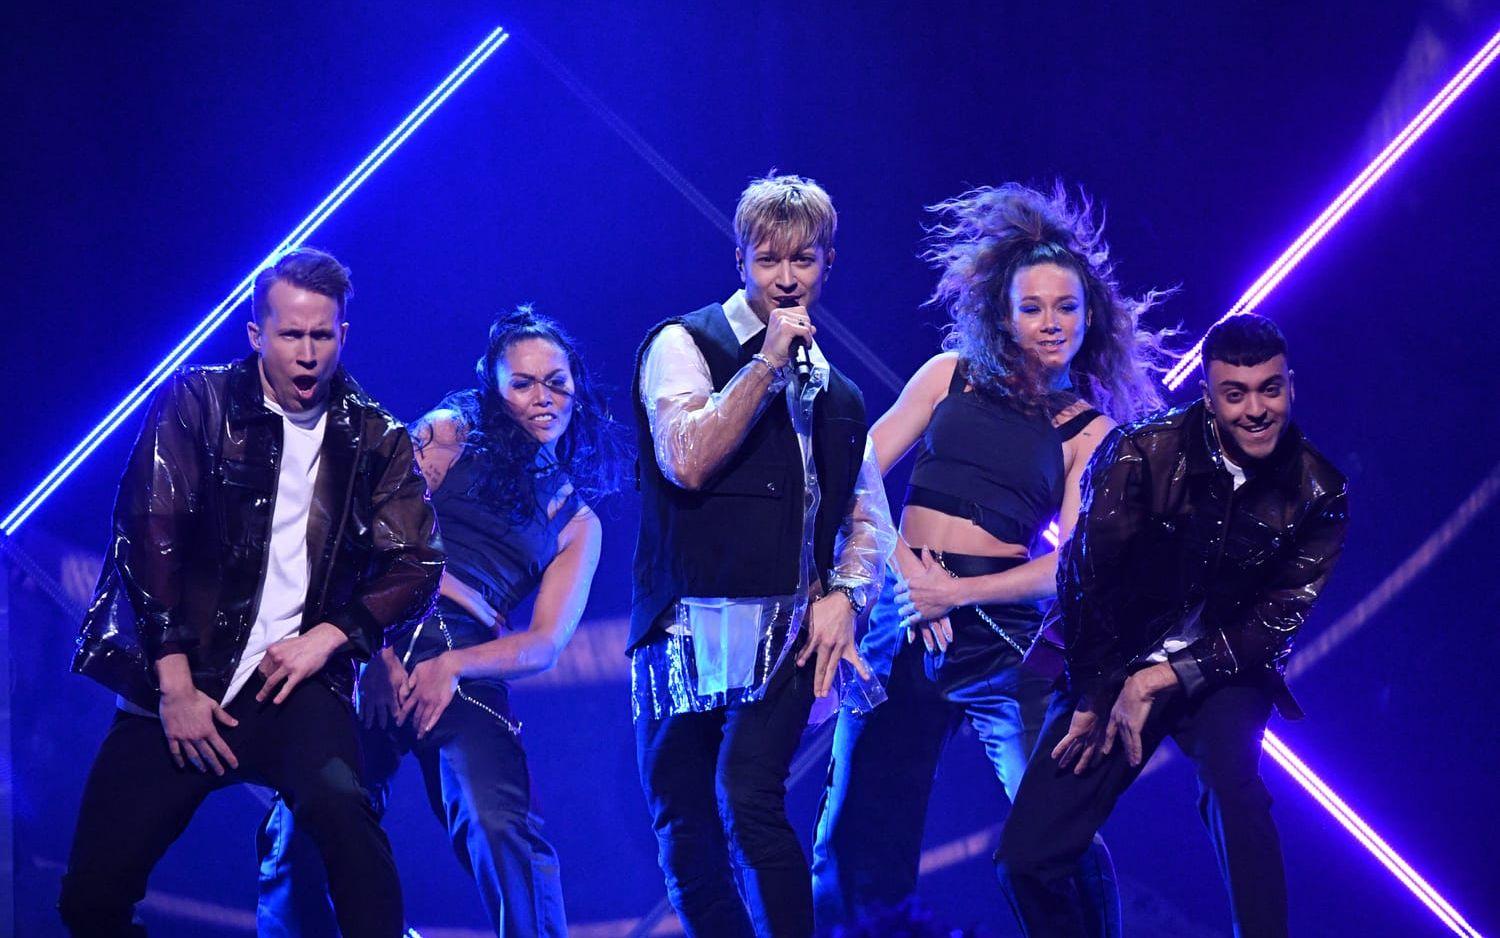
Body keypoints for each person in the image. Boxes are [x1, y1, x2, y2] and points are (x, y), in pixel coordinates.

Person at [812, 182, 1173, 934]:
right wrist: (907, 573)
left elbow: (1071, 570)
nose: (1050, 323)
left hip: (999, 635)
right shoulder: (948, 374)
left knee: (1051, 827)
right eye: (1033, 306)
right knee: (851, 833)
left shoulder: (1091, 433)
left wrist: (959, 597)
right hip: (898, 613)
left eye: (1065, 307)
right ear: (1003, 313)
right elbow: (857, 470)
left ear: (1089, 315)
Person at [60, 247, 443, 937]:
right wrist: (174, 688)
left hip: (291, 686)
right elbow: (149, 535)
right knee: (90, 898)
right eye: (291, 335)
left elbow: (417, 561)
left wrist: (325, 641)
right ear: (256, 333)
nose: (306, 354)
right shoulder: (195, 401)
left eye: (321, 336)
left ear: (343, 336)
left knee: (349, 832)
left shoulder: (373, 435)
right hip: (183, 679)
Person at [256, 307, 625, 937]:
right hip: (377, 630)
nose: (543, 397)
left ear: (577, 386)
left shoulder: (580, 523)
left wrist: (452, 665)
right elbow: (367, 530)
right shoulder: (452, 433)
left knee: (499, 824)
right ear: (495, 387)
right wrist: (375, 650)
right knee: (305, 820)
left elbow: (543, 645)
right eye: (523, 383)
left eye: (556, 381)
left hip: (468, 664)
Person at [995, 314, 1350, 937]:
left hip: (1223, 667)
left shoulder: (1319, 490)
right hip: (1111, 658)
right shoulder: (1142, 451)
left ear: (1290, 384)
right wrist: (1099, 690)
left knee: (1236, 789)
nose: (1256, 410)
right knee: (1025, 859)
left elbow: (1273, 622)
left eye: (1270, 389)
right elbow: (1087, 580)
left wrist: (1164, 679)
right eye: (1235, 394)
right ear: (1209, 396)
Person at [629, 173, 896, 938]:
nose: (786, 279)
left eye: (803, 261)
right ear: (740, 256)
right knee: (683, 813)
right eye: (769, 258)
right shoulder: (685, 344)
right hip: (688, 624)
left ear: (827, 264)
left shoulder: (839, 392)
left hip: (787, 630)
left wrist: (846, 595)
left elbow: (866, 515)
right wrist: (766, 365)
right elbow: (686, 457)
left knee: (750, 795)